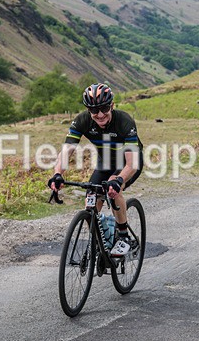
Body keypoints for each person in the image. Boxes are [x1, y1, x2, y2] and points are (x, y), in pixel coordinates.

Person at [48, 83, 143, 257]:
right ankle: (100, 238)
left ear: (112, 105)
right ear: (88, 110)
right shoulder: (82, 120)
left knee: (114, 189)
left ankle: (124, 236)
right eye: (94, 110)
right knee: (91, 196)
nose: (100, 114)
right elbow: (66, 151)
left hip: (128, 162)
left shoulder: (124, 121)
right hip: (105, 161)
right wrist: (57, 174)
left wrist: (119, 180)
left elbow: (131, 164)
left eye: (104, 108)